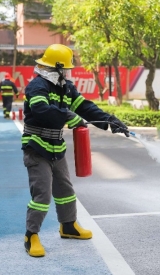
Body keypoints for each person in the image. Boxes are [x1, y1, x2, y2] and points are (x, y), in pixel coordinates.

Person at [21, 44, 129, 257]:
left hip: (56, 147)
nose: (69, 72)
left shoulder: (66, 88)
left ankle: (68, 226)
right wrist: (69, 116)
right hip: (36, 147)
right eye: (66, 68)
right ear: (57, 68)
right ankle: (31, 235)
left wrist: (109, 121)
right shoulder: (37, 87)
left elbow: (85, 107)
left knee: (65, 191)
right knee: (42, 194)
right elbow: (42, 111)